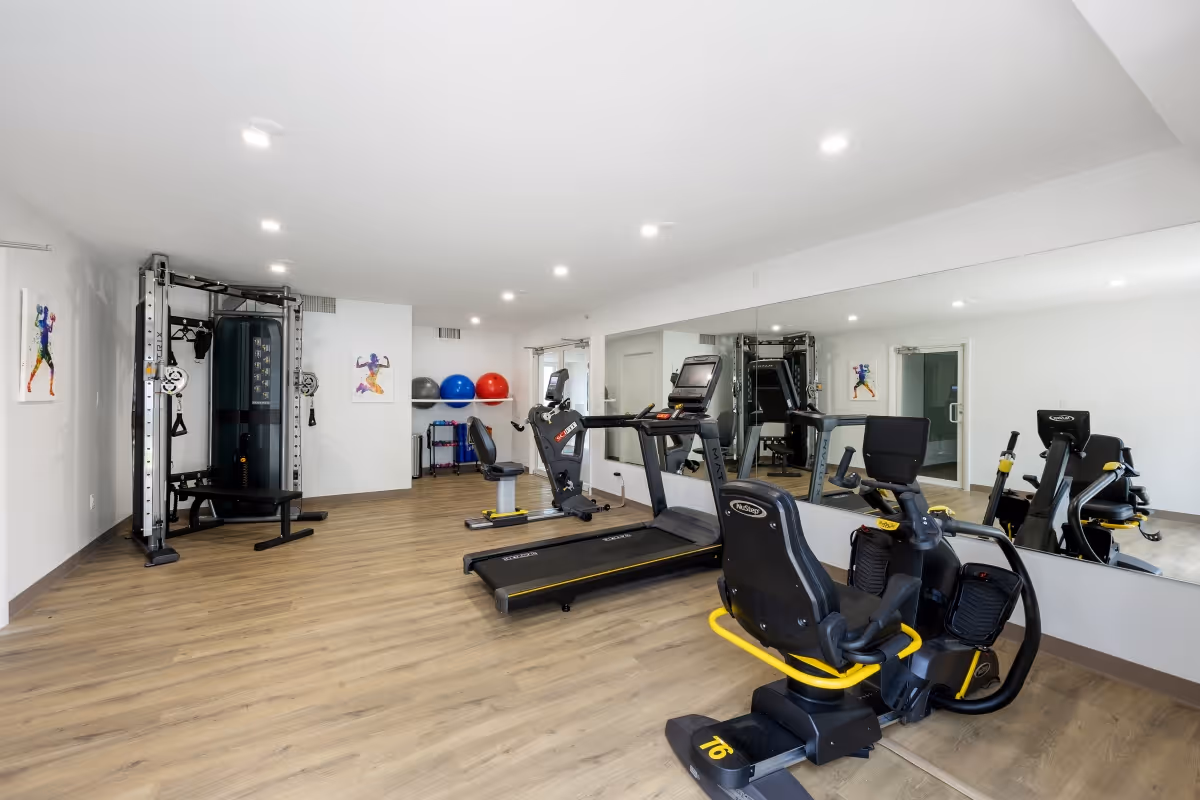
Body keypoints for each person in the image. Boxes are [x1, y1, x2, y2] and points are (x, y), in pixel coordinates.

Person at [25, 304, 56, 397]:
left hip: (46, 350)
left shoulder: (46, 325)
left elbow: (51, 330)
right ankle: (29, 383)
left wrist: (52, 322)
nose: (46, 314)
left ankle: (51, 389)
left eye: (47, 312)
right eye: (45, 312)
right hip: (41, 350)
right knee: (37, 367)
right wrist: (38, 313)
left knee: (52, 367)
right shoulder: (41, 322)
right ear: (43, 313)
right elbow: (35, 323)